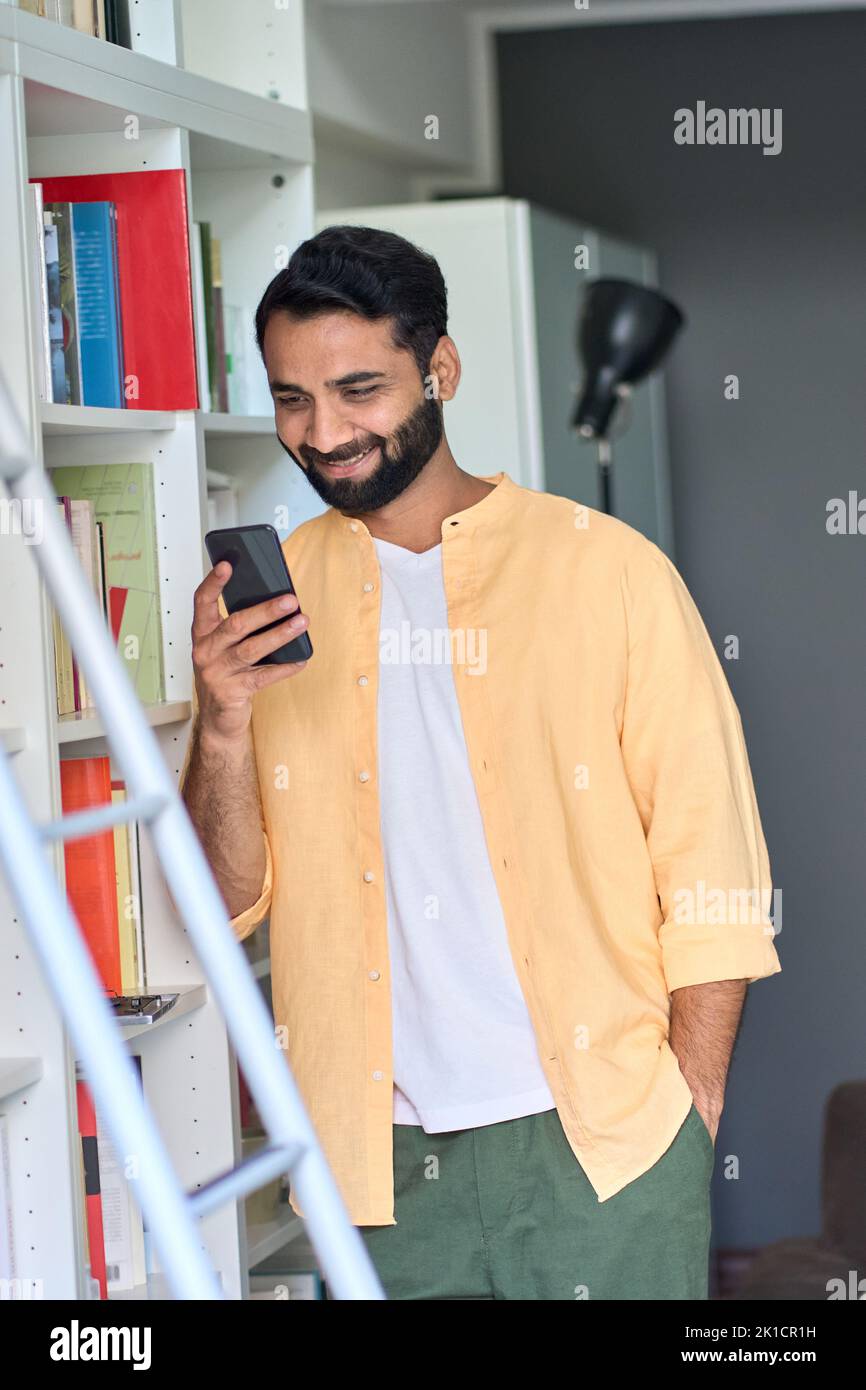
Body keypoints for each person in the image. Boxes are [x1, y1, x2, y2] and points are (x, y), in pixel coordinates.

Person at [179, 224, 781, 1300]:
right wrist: (220, 726)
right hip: (377, 1168)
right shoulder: (263, 610)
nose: (323, 433)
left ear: (438, 369)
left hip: (601, 1143)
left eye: (357, 388)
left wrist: (687, 1105)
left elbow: (712, 867)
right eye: (290, 399)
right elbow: (217, 905)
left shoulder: (609, 574)